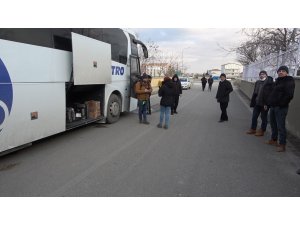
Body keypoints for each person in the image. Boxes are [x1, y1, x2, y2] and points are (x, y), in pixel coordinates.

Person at [266, 66, 295, 152]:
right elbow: (273, 93)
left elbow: (289, 95)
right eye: (279, 71)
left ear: (287, 72)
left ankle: (282, 144)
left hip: (281, 108)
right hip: (273, 106)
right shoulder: (277, 81)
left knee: (280, 126)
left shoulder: (289, 80)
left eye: (283, 71)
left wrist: (281, 104)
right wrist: (270, 102)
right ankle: (274, 140)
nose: (281, 72)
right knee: (273, 124)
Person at [246, 70, 274, 136]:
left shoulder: (270, 83)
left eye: (263, 74)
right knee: (254, 116)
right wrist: (253, 101)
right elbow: (255, 92)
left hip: (264, 104)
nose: (262, 75)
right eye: (260, 74)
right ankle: (253, 129)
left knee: (263, 117)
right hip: (257, 103)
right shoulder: (258, 82)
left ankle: (262, 130)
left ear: (266, 75)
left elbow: (270, 94)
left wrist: (267, 104)